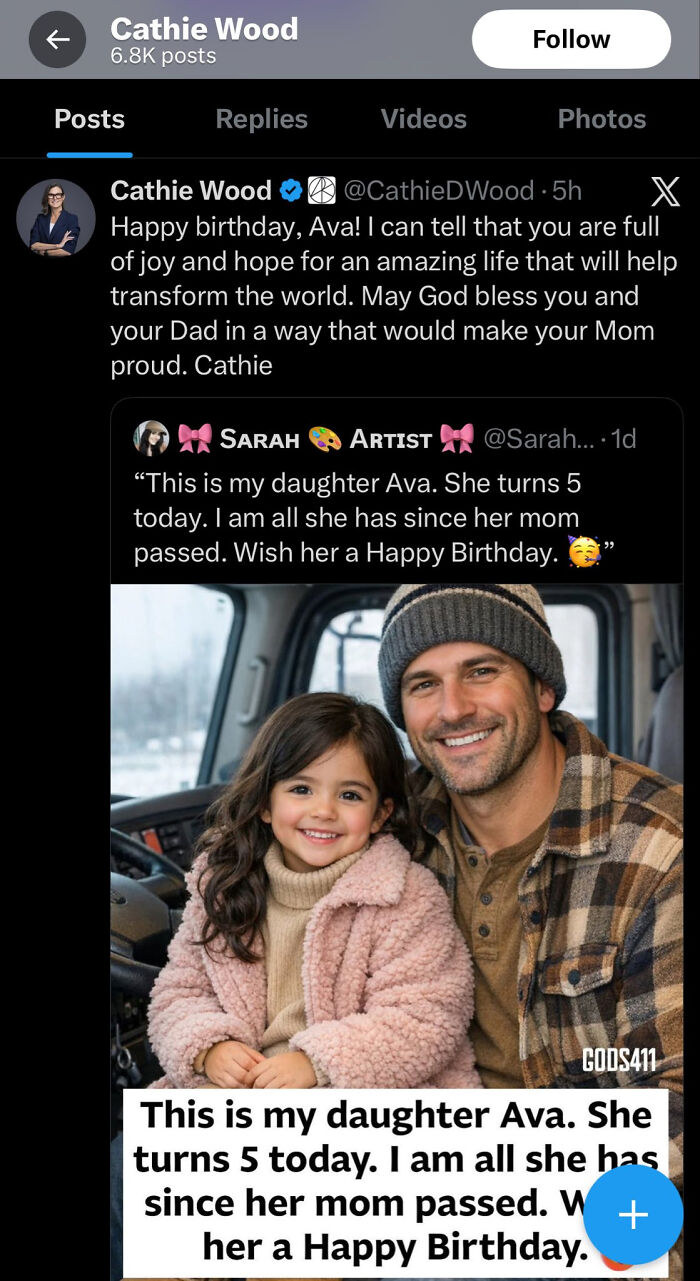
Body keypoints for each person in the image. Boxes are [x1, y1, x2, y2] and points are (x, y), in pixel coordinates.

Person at [377, 583, 683, 1278]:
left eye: (482, 671)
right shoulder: (385, 830)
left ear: (543, 686)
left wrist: (479, 1192)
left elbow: (673, 1107)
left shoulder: (661, 847)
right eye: (424, 683)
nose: (453, 709)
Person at [147, 691, 481, 1091]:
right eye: (301, 789)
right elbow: (178, 992)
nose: (324, 810)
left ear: (380, 814)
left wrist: (317, 1063)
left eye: (350, 795)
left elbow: (428, 1018)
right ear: (265, 804)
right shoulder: (225, 885)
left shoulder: (406, 898)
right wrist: (209, 1047)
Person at [29, 182, 80, 256]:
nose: (54, 198)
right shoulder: (40, 219)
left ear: (63, 197)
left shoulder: (71, 219)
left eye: (58, 195)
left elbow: (68, 251)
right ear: (47, 197)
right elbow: (33, 245)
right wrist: (57, 246)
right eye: (51, 195)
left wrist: (45, 252)